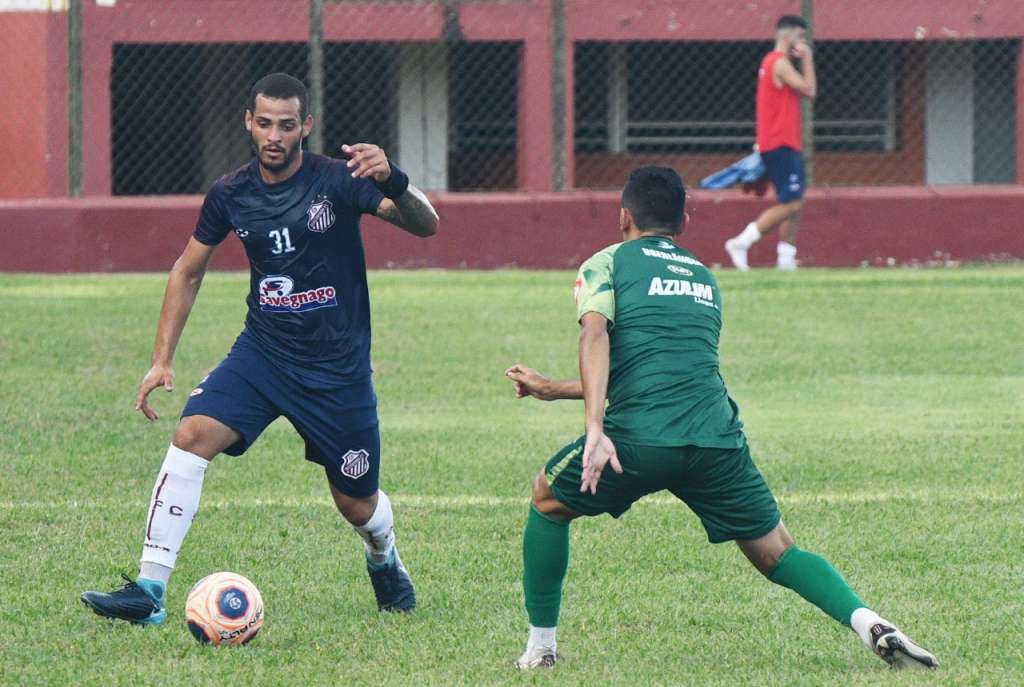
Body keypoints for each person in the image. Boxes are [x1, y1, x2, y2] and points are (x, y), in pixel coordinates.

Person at [505, 166, 936, 671]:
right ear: (683, 220)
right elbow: (664, 367)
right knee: (776, 552)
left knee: (547, 500)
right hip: (715, 439)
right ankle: (871, 623)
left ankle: (541, 649)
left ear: (624, 217)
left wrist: (595, 428)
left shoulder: (607, 262)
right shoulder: (703, 277)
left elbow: (596, 335)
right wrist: (554, 389)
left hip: (639, 441)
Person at [81, 73, 438, 624]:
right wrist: (161, 359)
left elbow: (426, 224)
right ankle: (149, 592)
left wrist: (395, 179)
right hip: (264, 354)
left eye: (287, 125)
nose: (274, 135)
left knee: (357, 505)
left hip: (336, 370)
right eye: (265, 122)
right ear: (249, 122)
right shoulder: (231, 192)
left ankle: (383, 553)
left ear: (306, 127)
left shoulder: (340, 180)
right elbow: (188, 269)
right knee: (191, 434)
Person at [725, 14, 816, 271]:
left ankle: (786, 258)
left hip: (784, 142)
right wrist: (808, 59)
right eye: (800, 37)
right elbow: (810, 90)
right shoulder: (779, 63)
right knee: (792, 203)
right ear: (787, 37)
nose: (802, 42)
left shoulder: (773, 63)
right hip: (779, 143)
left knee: (794, 198)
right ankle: (742, 242)